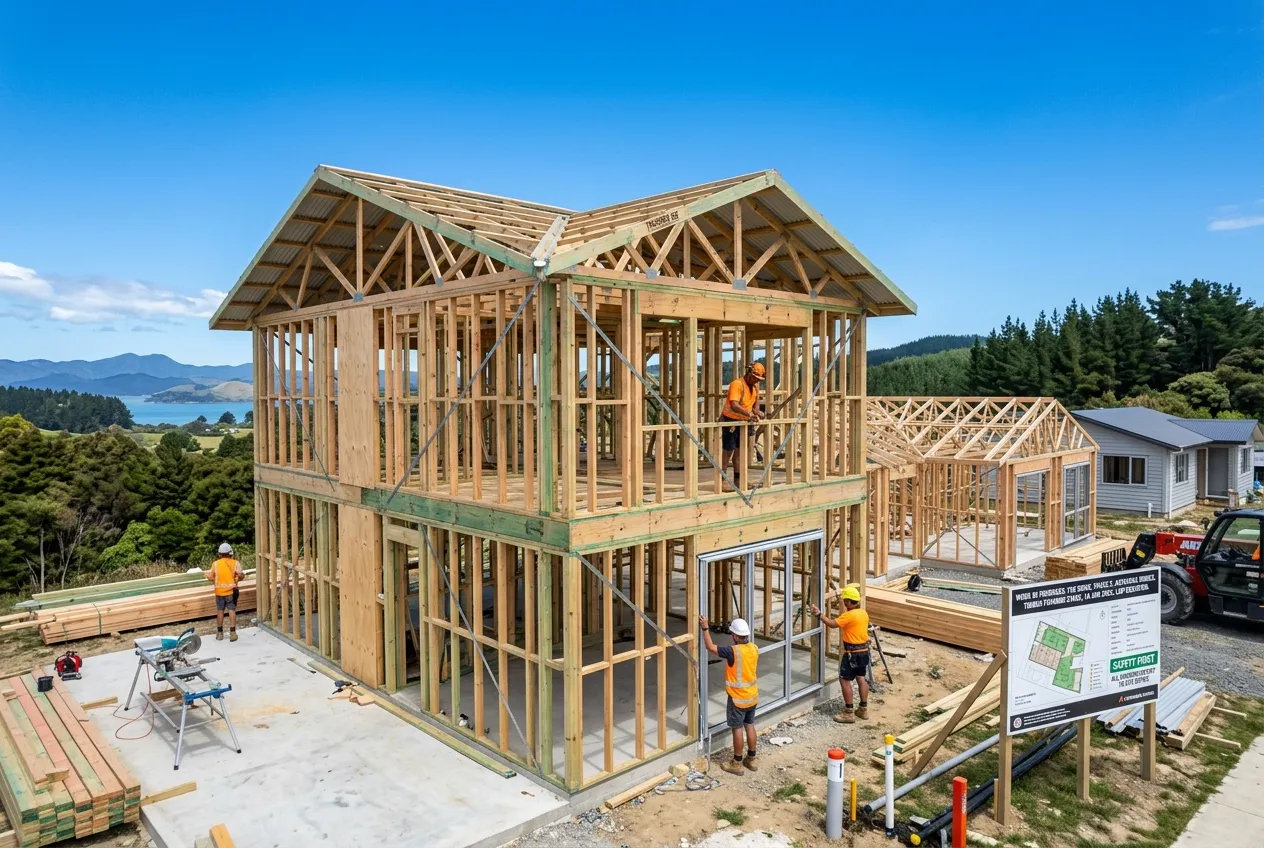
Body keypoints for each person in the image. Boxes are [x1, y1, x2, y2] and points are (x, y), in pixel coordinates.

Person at [700, 614, 759, 775]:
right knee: (750, 725)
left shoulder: (733, 651)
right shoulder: (754, 648)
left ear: (734, 635)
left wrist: (705, 628)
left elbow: (711, 647)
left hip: (737, 699)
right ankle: (751, 759)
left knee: (737, 728)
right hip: (752, 696)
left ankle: (737, 763)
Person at [811, 585, 871, 723]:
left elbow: (832, 623)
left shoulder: (848, 616)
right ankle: (863, 709)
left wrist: (819, 615)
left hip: (852, 653)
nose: (844, 603)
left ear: (849, 602)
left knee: (844, 680)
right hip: (863, 652)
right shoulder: (863, 613)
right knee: (861, 678)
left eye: (845, 601)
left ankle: (848, 712)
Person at [719, 362, 765, 488]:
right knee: (728, 451)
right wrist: (750, 415)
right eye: (755, 377)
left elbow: (755, 405)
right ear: (749, 373)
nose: (756, 380)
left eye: (758, 379)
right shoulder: (737, 384)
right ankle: (722, 481)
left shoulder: (755, 388)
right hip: (731, 421)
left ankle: (738, 481)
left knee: (739, 452)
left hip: (743, 423)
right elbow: (734, 404)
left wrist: (758, 412)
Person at [206, 543, 245, 642]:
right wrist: (238, 578)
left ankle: (219, 633)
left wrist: (207, 576)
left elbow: (211, 577)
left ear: (220, 553)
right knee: (231, 610)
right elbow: (240, 575)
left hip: (219, 592)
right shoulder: (235, 563)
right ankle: (232, 633)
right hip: (231, 592)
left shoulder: (215, 564)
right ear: (230, 552)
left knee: (220, 611)